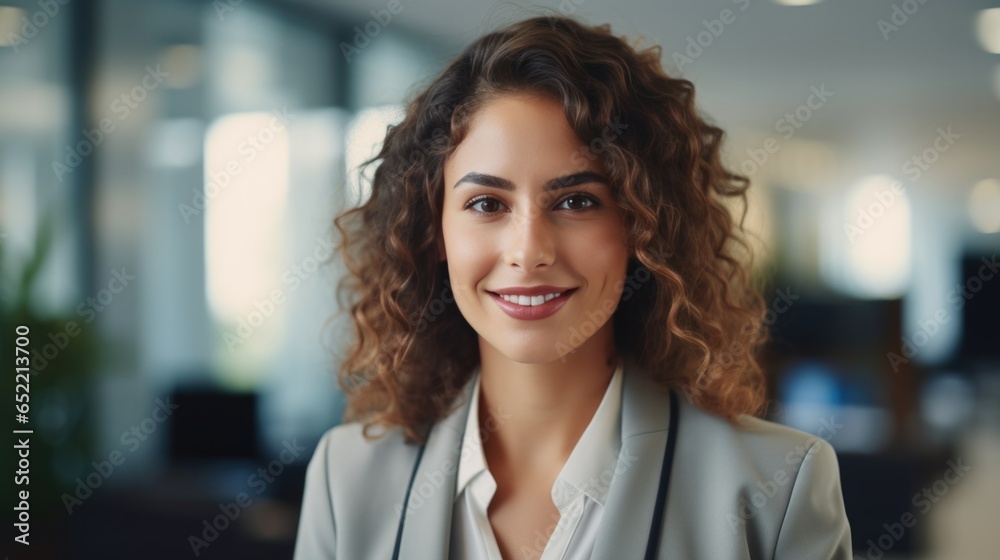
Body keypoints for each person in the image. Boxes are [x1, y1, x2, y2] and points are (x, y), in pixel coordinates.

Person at [294, 14, 852, 560]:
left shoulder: (777, 488)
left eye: (576, 201)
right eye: (487, 204)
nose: (529, 251)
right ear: (434, 230)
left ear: (641, 226)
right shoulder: (346, 480)